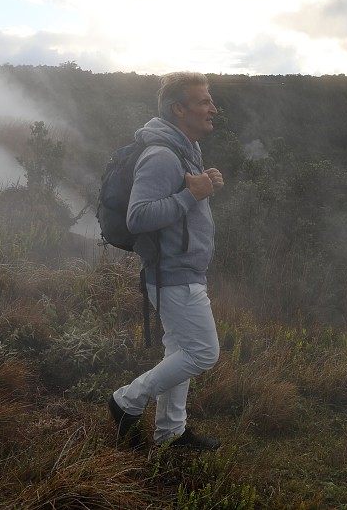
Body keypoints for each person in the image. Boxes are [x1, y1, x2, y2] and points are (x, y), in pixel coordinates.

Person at [107, 71, 224, 450]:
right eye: (204, 101)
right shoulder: (161, 155)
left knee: (180, 351)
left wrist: (202, 185)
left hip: (182, 269)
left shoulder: (184, 149)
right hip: (173, 273)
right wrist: (192, 196)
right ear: (179, 108)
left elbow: (180, 199)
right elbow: (138, 216)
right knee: (202, 351)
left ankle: (170, 432)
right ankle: (127, 400)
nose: (213, 108)